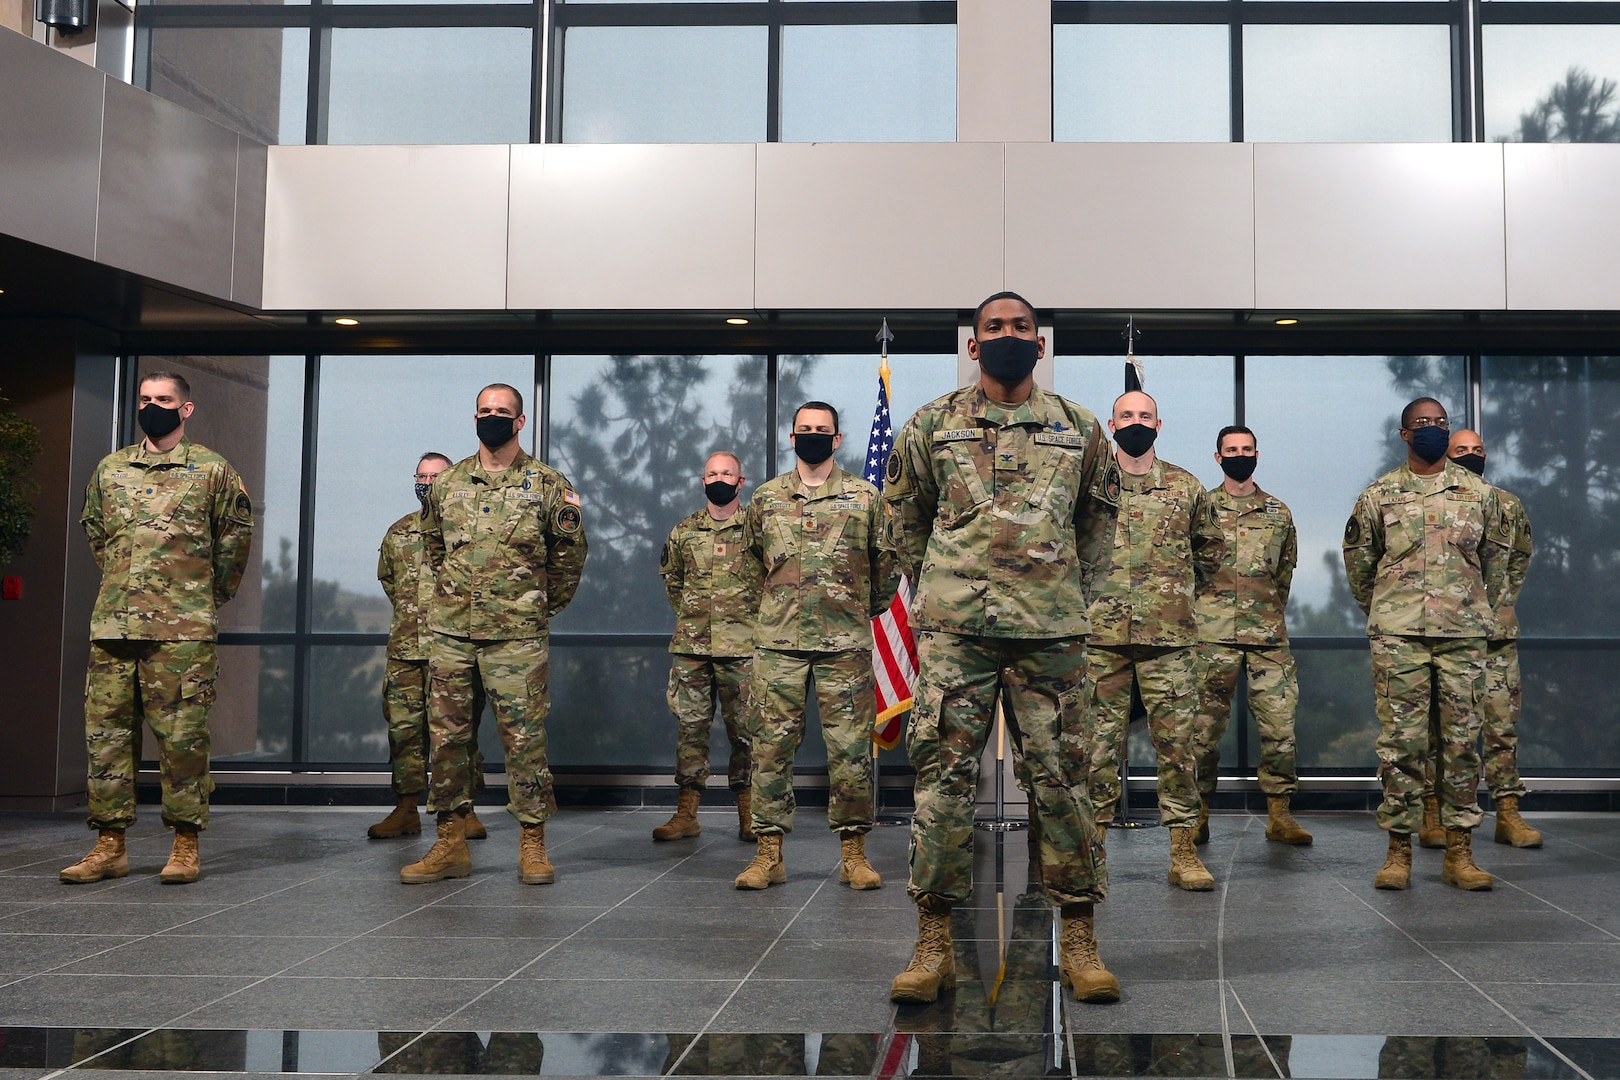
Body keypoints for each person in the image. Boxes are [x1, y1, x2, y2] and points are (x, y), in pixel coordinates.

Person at [884, 291, 1123, 1005]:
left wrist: (1064, 592)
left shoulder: (1080, 428)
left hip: (1051, 636)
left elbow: (1101, 529)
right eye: (996, 328)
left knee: (1063, 784)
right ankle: (932, 943)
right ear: (973, 345)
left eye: (1022, 328)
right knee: (941, 786)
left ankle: (1079, 938)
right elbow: (903, 521)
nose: (1009, 337)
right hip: (958, 635)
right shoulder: (932, 424)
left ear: (1040, 345)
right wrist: (944, 588)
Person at [62, 372, 254, 885]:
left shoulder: (212, 470)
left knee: (182, 740)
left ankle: (185, 844)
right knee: (106, 736)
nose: (153, 407)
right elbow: (97, 533)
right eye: (146, 399)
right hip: (113, 625)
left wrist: (202, 598)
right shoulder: (112, 468)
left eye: (164, 400)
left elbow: (234, 541)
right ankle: (109, 845)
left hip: (182, 631)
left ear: (185, 409)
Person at [401, 383, 587, 885]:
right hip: (452, 633)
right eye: (484, 411)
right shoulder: (449, 483)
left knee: (524, 741)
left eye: (502, 412)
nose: (492, 418)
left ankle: (532, 843)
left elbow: (569, 557)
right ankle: (449, 843)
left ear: (520, 422)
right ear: (474, 418)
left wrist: (538, 607)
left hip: (516, 637)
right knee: (448, 742)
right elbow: (436, 549)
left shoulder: (549, 485)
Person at [1343, 398, 1509, 891]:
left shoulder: (1480, 494)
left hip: (1463, 637)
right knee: (1401, 746)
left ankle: (1460, 852)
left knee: (1461, 746)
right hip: (1401, 640)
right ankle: (1399, 850)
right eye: (1423, 425)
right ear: (1404, 434)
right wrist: (1390, 613)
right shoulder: (1380, 494)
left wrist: (1473, 611)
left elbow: (1496, 569)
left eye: (1440, 423)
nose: (1433, 431)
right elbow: (1360, 563)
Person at [732, 401, 893, 892]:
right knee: (770, 750)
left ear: (838, 440)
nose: (813, 436)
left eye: (822, 430)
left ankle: (854, 855)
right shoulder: (765, 499)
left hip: (844, 644)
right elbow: (750, 565)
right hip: (778, 645)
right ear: (792, 436)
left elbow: (885, 570)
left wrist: (849, 611)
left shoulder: (865, 497)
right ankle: (768, 854)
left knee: (849, 753)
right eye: (805, 430)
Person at [1086, 390, 1225, 891]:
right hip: (1100, 638)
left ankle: (1184, 853)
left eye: (1144, 416)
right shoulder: (1091, 484)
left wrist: (1178, 601)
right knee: (1096, 750)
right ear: (1111, 422)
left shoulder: (1186, 487)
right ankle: (1092, 850)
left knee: (1178, 748)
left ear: (1159, 424)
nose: (1136, 423)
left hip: (1169, 640)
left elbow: (1211, 558)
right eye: (1127, 416)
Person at [1191, 426, 1312, 846]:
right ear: (1217, 456)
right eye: (1231, 450)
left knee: (1280, 730)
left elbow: (1284, 574)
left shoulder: (1279, 513)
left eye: (1246, 449)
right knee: (1201, 733)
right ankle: (1197, 815)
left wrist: (1265, 613)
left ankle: (1280, 815)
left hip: (1267, 638)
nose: (1239, 455)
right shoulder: (1200, 507)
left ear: (1257, 454)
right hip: (1211, 635)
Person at [369, 452, 486, 842]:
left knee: (457, 734)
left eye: (435, 475)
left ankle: (463, 810)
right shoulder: (398, 532)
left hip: (451, 649)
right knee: (404, 733)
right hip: (405, 650)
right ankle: (405, 809)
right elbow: (389, 580)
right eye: (421, 475)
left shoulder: (467, 530)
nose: (427, 482)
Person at [1430, 429, 1539, 848]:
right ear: (1447, 454)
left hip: (1494, 635)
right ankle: (1432, 812)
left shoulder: (1507, 504)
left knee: (1501, 726)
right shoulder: (1434, 502)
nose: (1471, 456)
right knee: (1439, 730)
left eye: (1477, 451)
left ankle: (1508, 812)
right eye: (1462, 451)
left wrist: (1496, 602)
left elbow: (1519, 559)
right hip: (1449, 634)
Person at [653, 450, 761, 842]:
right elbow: (673, 582)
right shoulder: (684, 532)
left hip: (744, 648)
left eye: (727, 473)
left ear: (740, 481)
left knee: (747, 733)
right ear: (703, 481)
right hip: (692, 649)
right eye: (712, 473)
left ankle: (750, 813)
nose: (719, 479)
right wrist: (696, 618)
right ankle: (687, 813)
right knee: (691, 730)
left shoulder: (757, 528)